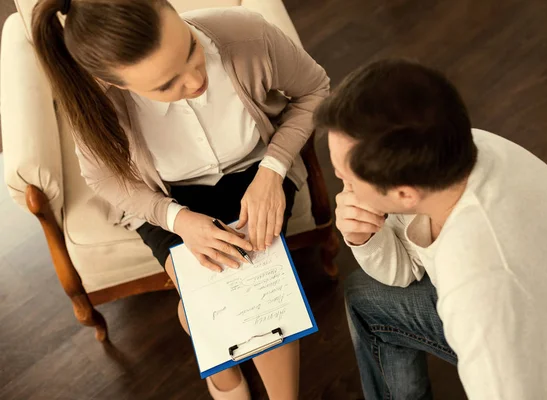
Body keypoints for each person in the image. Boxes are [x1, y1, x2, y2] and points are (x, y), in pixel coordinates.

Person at [31, 0, 329, 399]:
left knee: (257, 292)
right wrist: (177, 219)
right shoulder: (94, 99)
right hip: (163, 198)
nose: (195, 81)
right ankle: (228, 379)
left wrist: (273, 170)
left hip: (255, 172)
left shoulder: (246, 35)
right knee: (206, 302)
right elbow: (104, 178)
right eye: (165, 85)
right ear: (116, 84)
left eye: (190, 49)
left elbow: (315, 90)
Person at [315, 59, 547, 399]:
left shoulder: (480, 286)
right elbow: (407, 268)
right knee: (367, 297)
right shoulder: (452, 151)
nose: (341, 187)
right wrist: (366, 236)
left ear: (405, 194)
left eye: (345, 178)